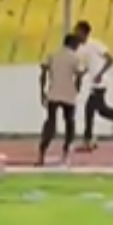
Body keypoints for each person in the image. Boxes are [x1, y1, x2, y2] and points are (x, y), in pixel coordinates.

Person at [72, 20, 113, 149]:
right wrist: (81, 76)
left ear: (83, 32)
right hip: (94, 83)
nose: (75, 33)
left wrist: (100, 74)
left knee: (89, 109)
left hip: (101, 82)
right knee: (102, 110)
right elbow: (86, 66)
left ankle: (87, 139)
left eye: (77, 31)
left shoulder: (95, 44)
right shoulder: (81, 49)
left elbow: (110, 60)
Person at [39, 33, 83, 167]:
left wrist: (42, 91)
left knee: (50, 123)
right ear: (73, 44)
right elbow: (79, 75)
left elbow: (43, 74)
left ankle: (42, 153)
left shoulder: (52, 55)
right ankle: (65, 154)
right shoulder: (75, 58)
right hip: (69, 94)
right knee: (69, 123)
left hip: (53, 93)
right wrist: (77, 89)